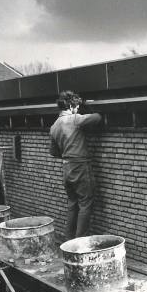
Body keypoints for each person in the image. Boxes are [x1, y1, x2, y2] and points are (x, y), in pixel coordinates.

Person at [49, 91, 101, 240]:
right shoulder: (73, 119)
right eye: (77, 107)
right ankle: (80, 244)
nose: (77, 109)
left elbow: (53, 151)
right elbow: (97, 117)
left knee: (73, 205)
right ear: (71, 106)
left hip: (67, 168)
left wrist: (67, 154)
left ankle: (69, 241)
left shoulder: (54, 126)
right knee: (85, 204)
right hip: (80, 167)